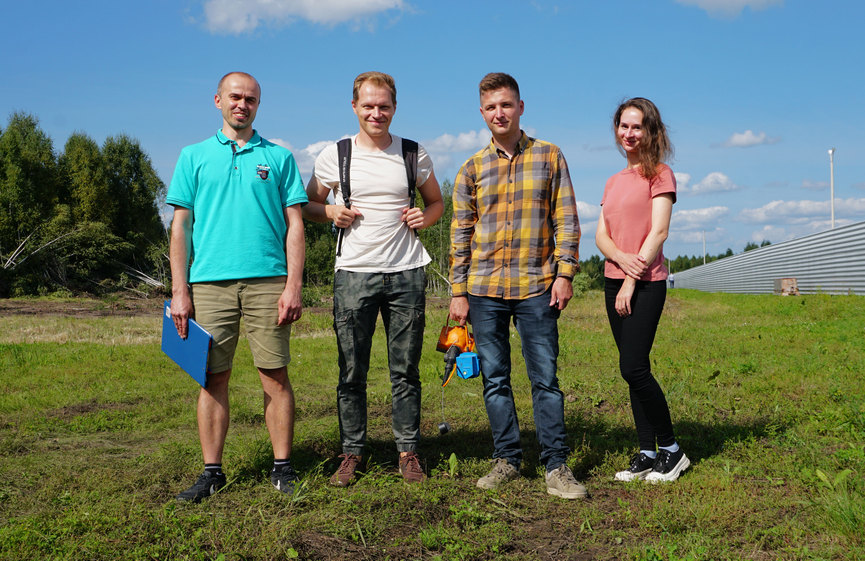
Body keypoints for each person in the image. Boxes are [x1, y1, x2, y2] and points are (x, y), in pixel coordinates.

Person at [167, 72, 308, 502]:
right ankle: (212, 473)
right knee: (212, 378)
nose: (242, 104)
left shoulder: (280, 157)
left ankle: (282, 468)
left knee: (275, 375)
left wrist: (294, 285)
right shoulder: (193, 156)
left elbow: (296, 226)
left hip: (269, 281)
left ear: (258, 105)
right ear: (217, 100)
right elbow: (181, 227)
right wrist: (179, 290)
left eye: (250, 99)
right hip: (208, 282)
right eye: (235, 97)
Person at [449, 72, 586, 499]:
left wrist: (565, 274)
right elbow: (461, 232)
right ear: (481, 113)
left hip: (537, 286)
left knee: (544, 378)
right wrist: (457, 291)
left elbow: (566, 218)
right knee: (495, 379)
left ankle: (556, 466)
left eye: (506, 105)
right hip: (485, 289)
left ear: (521, 107)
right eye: (491, 107)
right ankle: (507, 459)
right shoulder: (471, 168)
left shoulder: (549, 156)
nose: (499, 113)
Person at [304, 71, 443, 486]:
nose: (376, 113)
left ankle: (408, 453)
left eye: (384, 106)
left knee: (405, 370)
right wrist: (330, 212)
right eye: (368, 105)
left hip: (406, 272)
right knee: (351, 371)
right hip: (353, 275)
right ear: (354, 107)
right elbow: (309, 204)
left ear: (394, 108)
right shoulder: (336, 154)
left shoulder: (413, 154)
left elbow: (436, 202)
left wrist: (425, 216)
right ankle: (352, 453)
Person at [594, 97, 690, 483]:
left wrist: (632, 277)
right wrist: (619, 259)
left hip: (646, 283)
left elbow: (659, 231)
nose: (629, 134)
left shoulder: (660, 174)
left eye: (637, 127)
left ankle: (671, 449)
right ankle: (647, 452)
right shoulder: (613, 181)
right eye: (623, 126)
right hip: (612, 279)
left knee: (632, 366)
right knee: (634, 371)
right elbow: (601, 234)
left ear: (651, 131)